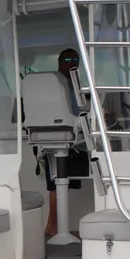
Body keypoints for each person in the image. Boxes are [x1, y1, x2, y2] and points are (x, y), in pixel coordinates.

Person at [44, 48, 84, 237]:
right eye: (67, 59)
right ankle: (53, 228)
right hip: (60, 135)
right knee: (56, 184)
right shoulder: (57, 84)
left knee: (60, 183)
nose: (71, 62)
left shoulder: (73, 83)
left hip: (67, 134)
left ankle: (55, 227)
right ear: (59, 62)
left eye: (74, 59)